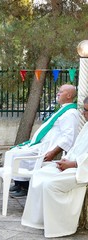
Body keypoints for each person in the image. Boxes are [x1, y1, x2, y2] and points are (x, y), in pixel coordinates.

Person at [21, 96, 88, 238]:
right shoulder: (87, 126)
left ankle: (61, 227)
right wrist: (66, 160)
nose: (83, 113)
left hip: (82, 169)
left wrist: (73, 164)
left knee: (51, 185)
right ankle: (40, 220)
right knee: (39, 175)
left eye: (86, 111)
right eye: (84, 110)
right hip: (72, 164)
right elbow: (77, 148)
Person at [9, 84, 79, 197]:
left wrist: (53, 152)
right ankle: (19, 183)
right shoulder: (63, 110)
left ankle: (24, 186)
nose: (58, 94)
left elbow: (68, 137)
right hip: (43, 144)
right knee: (13, 152)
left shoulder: (71, 113)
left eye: (61, 92)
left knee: (18, 154)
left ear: (69, 95)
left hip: (48, 148)